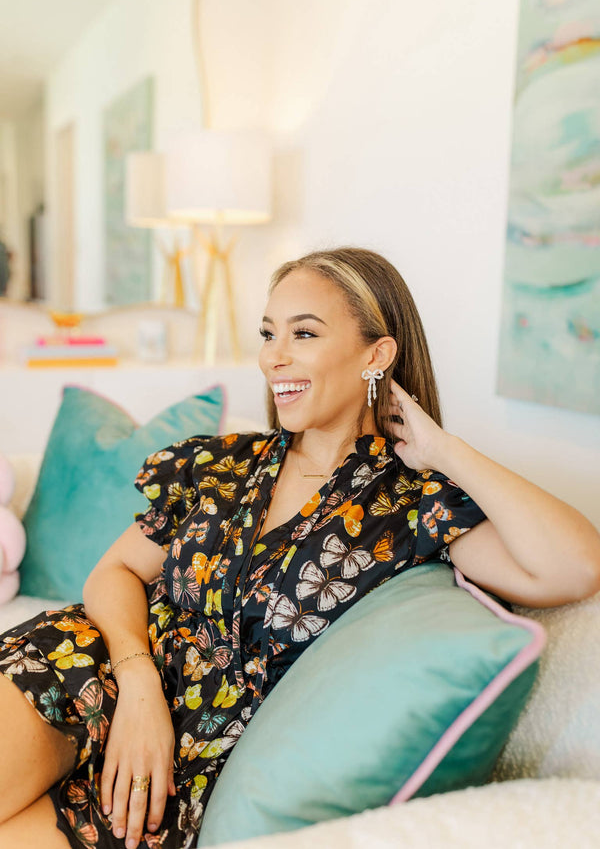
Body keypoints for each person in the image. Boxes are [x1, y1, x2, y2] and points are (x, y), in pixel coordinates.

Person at [0, 247, 599, 849]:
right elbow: (114, 571)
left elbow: (577, 567)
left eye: (303, 333)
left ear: (376, 355)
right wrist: (138, 688)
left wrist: (444, 449)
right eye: (268, 333)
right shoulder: (224, 463)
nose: (273, 357)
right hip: (86, 671)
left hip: (183, 780)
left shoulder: (414, 505)